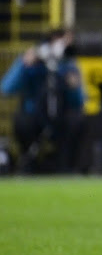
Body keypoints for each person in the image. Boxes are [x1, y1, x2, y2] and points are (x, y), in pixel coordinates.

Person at [1, 30, 85, 173]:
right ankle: (29, 165)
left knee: (77, 120)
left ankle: (66, 165)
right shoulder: (32, 63)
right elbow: (7, 88)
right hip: (34, 115)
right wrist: (24, 64)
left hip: (60, 116)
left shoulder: (68, 64)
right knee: (22, 121)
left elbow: (79, 102)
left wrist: (73, 86)